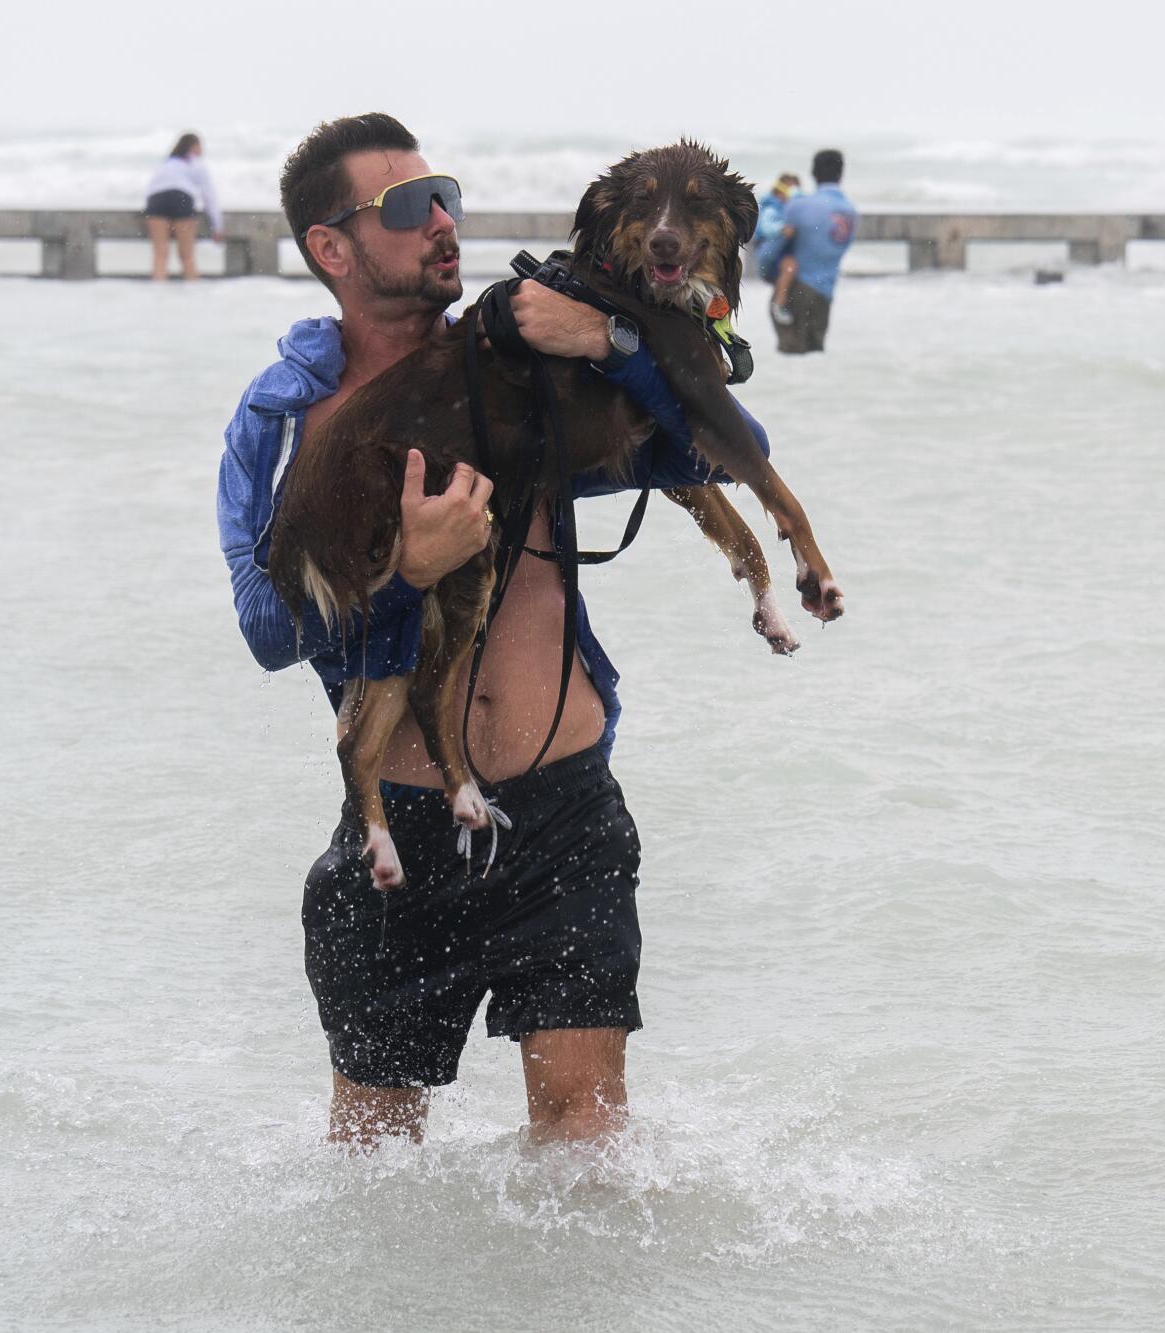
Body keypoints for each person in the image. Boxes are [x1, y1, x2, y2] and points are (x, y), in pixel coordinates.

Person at [216, 114, 773, 1150]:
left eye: (447, 198)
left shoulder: (523, 361)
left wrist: (605, 340)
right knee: (372, 1181)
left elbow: (722, 449)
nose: (442, 222)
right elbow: (265, 628)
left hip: (562, 810)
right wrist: (402, 574)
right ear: (330, 248)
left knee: (587, 1159)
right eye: (406, 206)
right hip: (403, 831)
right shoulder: (282, 420)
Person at [761, 149, 857, 354]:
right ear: (841, 174)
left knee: (790, 366)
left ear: (813, 173)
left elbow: (769, 253)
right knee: (817, 362)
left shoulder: (798, 207)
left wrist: (765, 272)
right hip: (825, 297)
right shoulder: (851, 213)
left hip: (793, 296)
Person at [142, 133, 225, 282]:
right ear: (193, 147)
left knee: (160, 255)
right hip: (181, 197)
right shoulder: (197, 163)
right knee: (187, 257)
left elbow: (150, 187)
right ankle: (193, 295)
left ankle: (157, 296)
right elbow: (209, 196)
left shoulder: (166, 163)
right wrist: (217, 226)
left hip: (156, 198)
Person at [754, 172, 800, 284]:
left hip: (780, 250)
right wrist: (781, 229)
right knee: (787, 268)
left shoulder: (786, 207)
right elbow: (766, 226)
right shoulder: (772, 207)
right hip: (766, 247)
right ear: (780, 192)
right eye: (791, 190)